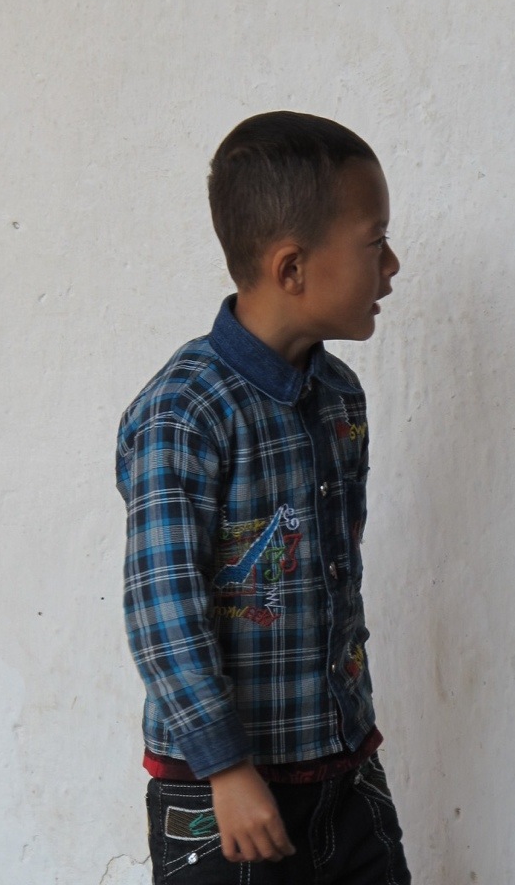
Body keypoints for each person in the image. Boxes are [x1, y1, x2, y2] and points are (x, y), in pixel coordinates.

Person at [117, 111, 411, 883]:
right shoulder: (185, 413)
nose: (392, 266)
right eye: (375, 242)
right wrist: (226, 768)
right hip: (223, 793)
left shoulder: (340, 396)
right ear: (292, 268)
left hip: (343, 769)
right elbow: (162, 612)